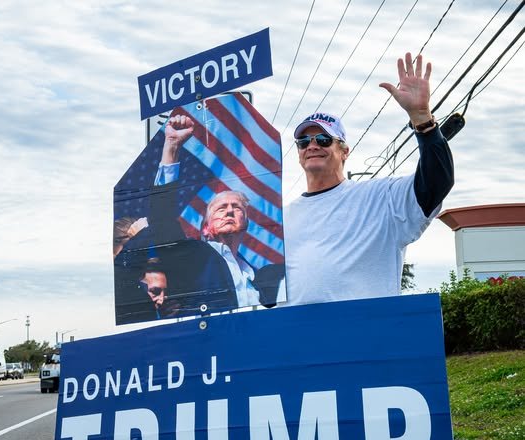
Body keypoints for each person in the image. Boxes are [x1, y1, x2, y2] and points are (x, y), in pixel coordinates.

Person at [283, 52, 454, 306]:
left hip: (367, 338)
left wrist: (422, 119)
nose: (312, 146)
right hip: (297, 340)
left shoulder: (381, 198)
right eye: (304, 141)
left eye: (323, 140)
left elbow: (437, 182)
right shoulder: (281, 220)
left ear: (344, 151)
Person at [150, 118, 284, 308]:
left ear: (246, 223)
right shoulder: (192, 256)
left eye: (237, 208)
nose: (229, 210)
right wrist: (172, 146)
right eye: (221, 208)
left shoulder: (261, 276)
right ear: (205, 228)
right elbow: (161, 219)